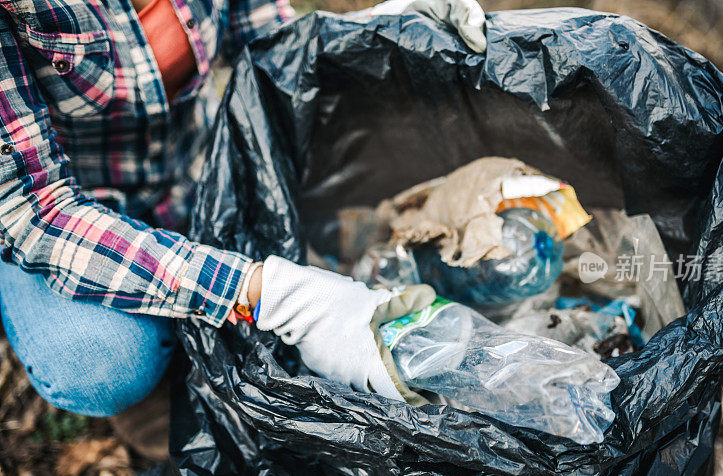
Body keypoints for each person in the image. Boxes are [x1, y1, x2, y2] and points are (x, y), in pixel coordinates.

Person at [0, 0, 486, 417]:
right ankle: (161, 418)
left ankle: (200, 354)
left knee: (346, 201)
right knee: (100, 363)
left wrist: (376, 36)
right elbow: (34, 208)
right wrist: (274, 296)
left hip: (195, 168)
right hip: (61, 225)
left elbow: (269, 44)